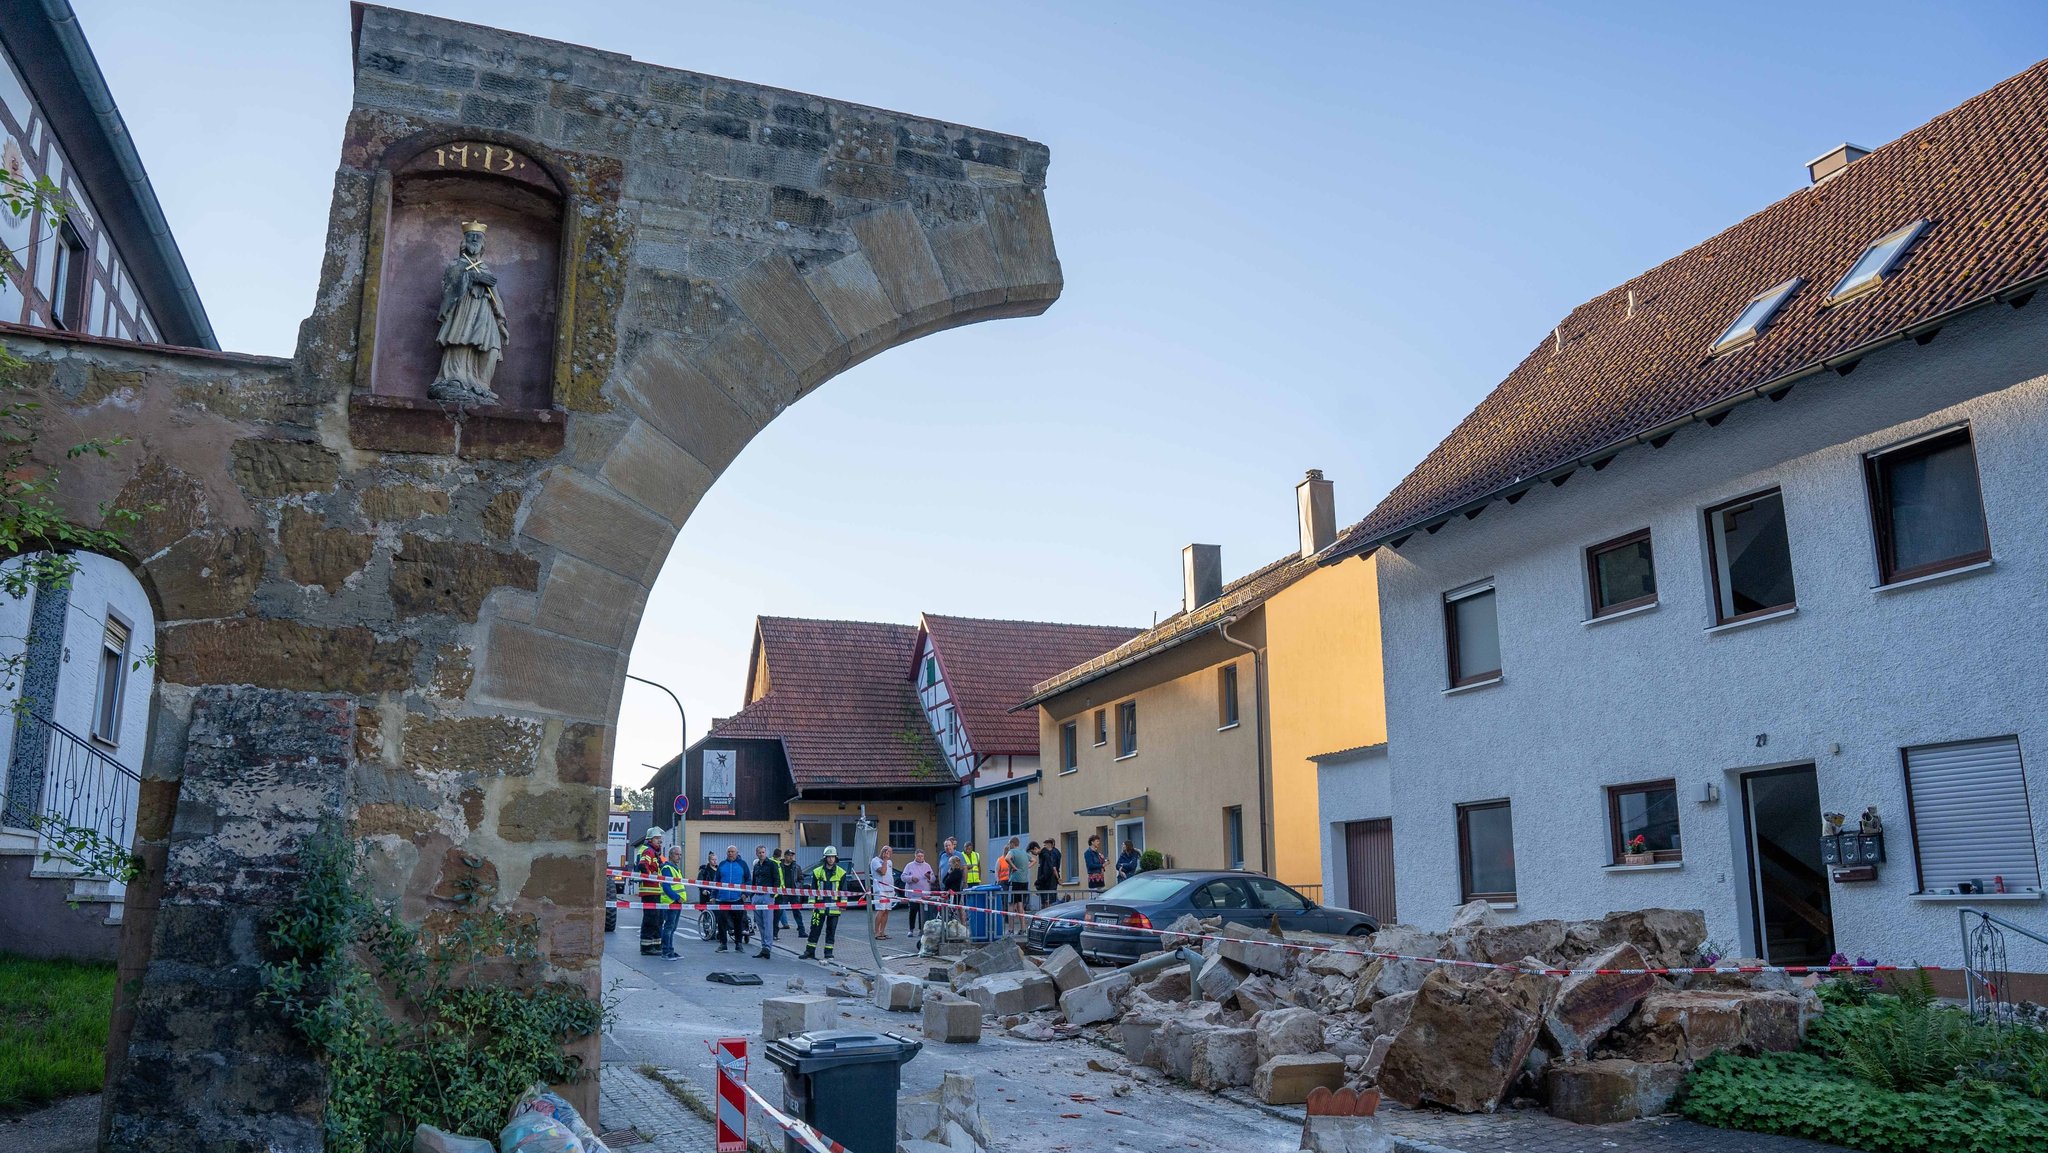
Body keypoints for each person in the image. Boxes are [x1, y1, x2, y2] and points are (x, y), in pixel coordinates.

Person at [801, 847, 855, 962]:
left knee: (831, 930)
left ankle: (828, 953)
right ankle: (809, 951)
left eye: (833, 857)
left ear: (836, 858)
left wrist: (843, 904)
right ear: (825, 858)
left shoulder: (841, 872)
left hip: (834, 907)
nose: (831, 859)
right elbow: (813, 890)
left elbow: (843, 890)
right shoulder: (817, 872)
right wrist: (812, 904)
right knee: (815, 929)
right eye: (829, 857)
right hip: (819, 906)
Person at [713, 845, 751, 953]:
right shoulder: (722, 864)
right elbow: (716, 881)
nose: (730, 853)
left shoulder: (742, 864)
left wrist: (746, 893)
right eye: (729, 852)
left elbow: (748, 880)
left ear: (737, 853)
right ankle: (723, 944)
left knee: (738, 922)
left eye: (732, 852)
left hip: (737, 898)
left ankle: (738, 944)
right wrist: (713, 895)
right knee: (721, 922)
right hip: (722, 899)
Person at [635, 832, 665, 956]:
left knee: (657, 919)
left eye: (660, 839)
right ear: (650, 839)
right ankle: (646, 947)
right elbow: (642, 865)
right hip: (649, 891)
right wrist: (650, 877)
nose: (659, 841)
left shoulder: (656, 853)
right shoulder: (648, 851)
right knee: (650, 919)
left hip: (655, 891)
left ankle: (656, 945)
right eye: (657, 838)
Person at [750, 844, 780, 959]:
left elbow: (776, 879)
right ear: (756, 854)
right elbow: (754, 881)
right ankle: (763, 947)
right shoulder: (757, 866)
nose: (761, 854)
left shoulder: (772, 864)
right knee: (760, 923)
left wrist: (772, 895)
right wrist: (752, 895)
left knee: (768, 923)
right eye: (759, 852)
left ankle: (767, 947)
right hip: (757, 896)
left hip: (767, 896)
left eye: (763, 852)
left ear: (765, 853)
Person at [658, 846, 687, 959]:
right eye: (677, 854)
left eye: (680, 854)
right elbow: (666, 886)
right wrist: (676, 897)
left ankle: (670, 950)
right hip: (670, 901)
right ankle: (666, 951)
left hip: (676, 902)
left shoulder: (675, 868)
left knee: (672, 928)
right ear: (670, 855)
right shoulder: (667, 868)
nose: (679, 857)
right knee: (669, 927)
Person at [901, 849, 935, 933]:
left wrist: (929, 878)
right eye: (918, 856)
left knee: (922, 913)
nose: (920, 858)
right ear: (915, 856)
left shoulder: (927, 865)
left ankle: (921, 929)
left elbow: (933, 878)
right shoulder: (909, 865)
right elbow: (903, 877)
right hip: (913, 894)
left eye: (922, 856)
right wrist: (911, 878)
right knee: (913, 911)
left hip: (924, 894)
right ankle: (911, 929)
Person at [870, 845, 897, 940]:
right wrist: (885, 860)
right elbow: (882, 872)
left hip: (889, 889)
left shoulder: (890, 862)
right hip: (880, 889)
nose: (887, 853)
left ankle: (882, 931)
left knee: (886, 911)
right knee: (881, 910)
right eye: (885, 851)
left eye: (889, 852)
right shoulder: (875, 861)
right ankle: (876, 932)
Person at [1003, 837, 1029, 930]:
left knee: (1011, 905)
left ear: (1013, 844)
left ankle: (1010, 929)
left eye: (1009, 844)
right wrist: (1027, 867)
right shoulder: (1024, 852)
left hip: (1014, 881)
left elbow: (1007, 858)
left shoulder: (1012, 851)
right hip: (1024, 881)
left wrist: (1013, 867)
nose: (1009, 846)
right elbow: (1034, 860)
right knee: (1020, 904)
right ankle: (1023, 928)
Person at [1036, 837, 1061, 910]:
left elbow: (1053, 867)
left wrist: (1040, 880)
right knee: (1052, 898)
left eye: (1046, 845)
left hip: (1049, 879)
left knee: (1047, 901)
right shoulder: (1057, 852)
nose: (1044, 847)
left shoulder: (1051, 853)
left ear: (1051, 844)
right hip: (1053, 878)